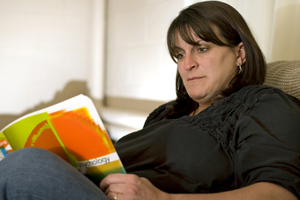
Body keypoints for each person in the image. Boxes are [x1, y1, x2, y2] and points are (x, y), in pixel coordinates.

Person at [0, 1, 299, 200]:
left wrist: (163, 199)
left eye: (202, 49)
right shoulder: (165, 113)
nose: (187, 64)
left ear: (240, 53)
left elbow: (278, 194)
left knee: (27, 166)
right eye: (180, 54)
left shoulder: (264, 103)